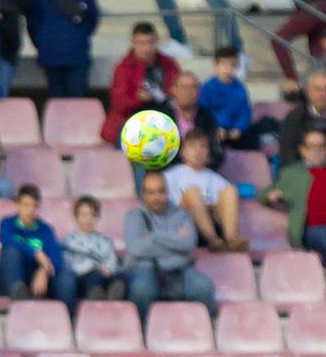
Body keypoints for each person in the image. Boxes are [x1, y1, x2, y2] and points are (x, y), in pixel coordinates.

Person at [124, 171, 217, 323]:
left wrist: (152, 236)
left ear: (167, 192)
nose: (157, 197)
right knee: (141, 290)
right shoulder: (133, 216)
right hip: (145, 268)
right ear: (144, 195)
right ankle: (141, 332)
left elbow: (188, 243)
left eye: (161, 191)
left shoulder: (181, 214)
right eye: (151, 192)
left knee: (204, 286)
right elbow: (136, 248)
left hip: (179, 270)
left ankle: (205, 330)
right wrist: (174, 241)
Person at [27, 0, 99, 100]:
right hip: (51, 56)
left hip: (76, 55)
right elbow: (33, 22)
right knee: (56, 104)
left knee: (77, 103)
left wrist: (79, 38)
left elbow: (92, 18)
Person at [0, 184, 76, 308]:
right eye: (26, 205)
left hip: (36, 280)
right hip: (9, 279)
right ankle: (19, 295)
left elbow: (56, 257)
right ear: (17, 205)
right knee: (11, 252)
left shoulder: (45, 229)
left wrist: (44, 270)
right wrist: (36, 252)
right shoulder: (7, 223)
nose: (30, 210)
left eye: (34, 206)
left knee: (66, 277)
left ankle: (66, 318)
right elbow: (7, 241)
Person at [164, 128, 246, 252]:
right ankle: (212, 240)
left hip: (214, 222)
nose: (198, 151)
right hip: (184, 225)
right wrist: (199, 205)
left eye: (203, 147)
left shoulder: (216, 179)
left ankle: (231, 240)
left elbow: (223, 207)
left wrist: (208, 207)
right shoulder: (170, 176)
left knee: (231, 190)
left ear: (208, 152)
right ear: (183, 152)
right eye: (192, 146)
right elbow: (170, 207)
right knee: (192, 192)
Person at [101, 22, 179, 146]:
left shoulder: (169, 65)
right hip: (131, 121)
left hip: (164, 119)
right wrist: (137, 98)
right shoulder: (123, 68)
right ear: (133, 42)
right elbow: (118, 103)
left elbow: (179, 91)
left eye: (150, 43)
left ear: (157, 41)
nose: (146, 48)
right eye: (141, 43)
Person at [261, 127, 326, 260]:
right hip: (313, 229)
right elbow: (263, 193)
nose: (317, 151)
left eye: (322, 146)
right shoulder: (291, 173)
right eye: (311, 146)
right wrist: (271, 196)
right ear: (303, 150)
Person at [62, 194, 125, 302]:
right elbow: (68, 264)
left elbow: (111, 260)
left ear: (98, 217)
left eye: (93, 215)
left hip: (105, 275)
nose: (88, 219)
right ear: (76, 217)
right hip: (82, 276)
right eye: (84, 215)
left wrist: (108, 269)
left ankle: (113, 294)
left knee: (121, 275)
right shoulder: (68, 241)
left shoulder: (105, 240)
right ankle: (96, 295)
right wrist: (89, 267)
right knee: (93, 275)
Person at [168, 71, 222, 169]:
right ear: (174, 89)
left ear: (199, 91)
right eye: (184, 87)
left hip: (199, 170)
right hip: (169, 170)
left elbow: (215, 150)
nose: (188, 92)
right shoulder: (162, 114)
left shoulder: (206, 117)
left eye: (193, 87)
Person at [279, 70, 326, 167]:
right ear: (308, 92)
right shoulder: (294, 118)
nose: (323, 94)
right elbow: (287, 154)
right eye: (318, 89)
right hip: (302, 172)